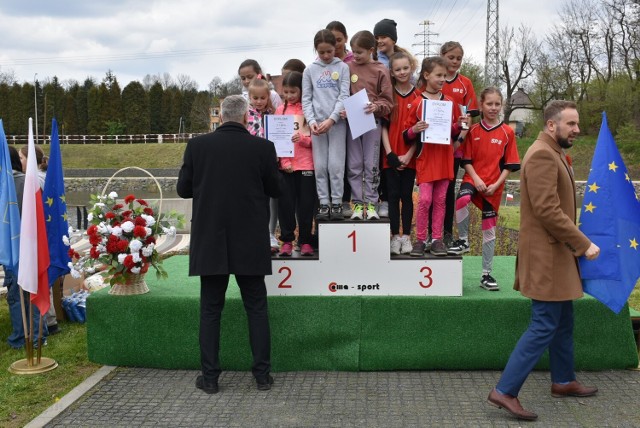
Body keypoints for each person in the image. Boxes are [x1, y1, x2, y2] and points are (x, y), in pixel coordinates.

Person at [487, 100, 600, 421]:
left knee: (563, 321)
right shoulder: (541, 156)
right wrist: (583, 243)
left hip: (555, 255)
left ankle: (563, 381)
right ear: (552, 125)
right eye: (571, 124)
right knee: (544, 325)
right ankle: (505, 391)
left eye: (577, 124)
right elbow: (547, 210)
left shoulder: (550, 152)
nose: (577, 129)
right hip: (547, 257)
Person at [177, 95, 281, 394]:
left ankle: (210, 379)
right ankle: (262, 376)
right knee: (257, 307)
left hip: (211, 239)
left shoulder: (197, 146)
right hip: (249, 238)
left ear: (221, 117)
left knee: (210, 309)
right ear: (247, 117)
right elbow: (276, 189)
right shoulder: (263, 148)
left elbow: (183, 190)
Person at [447, 88, 520, 291]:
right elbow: (466, 160)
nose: (493, 108)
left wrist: (496, 185)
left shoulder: (508, 132)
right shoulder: (474, 131)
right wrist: (477, 180)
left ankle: (486, 275)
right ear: (481, 105)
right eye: (489, 104)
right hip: (473, 178)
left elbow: (510, 165)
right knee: (461, 200)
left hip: (493, 187)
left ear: (501, 106)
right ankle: (463, 240)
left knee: (489, 231)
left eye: (497, 104)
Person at [405, 57, 467, 257]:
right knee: (424, 200)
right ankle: (421, 240)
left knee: (441, 200)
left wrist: (459, 125)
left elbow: (451, 131)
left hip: (445, 158)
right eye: (439, 75)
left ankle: (437, 239)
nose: (443, 79)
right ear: (426, 75)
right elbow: (406, 135)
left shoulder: (449, 102)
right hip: (426, 159)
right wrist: (415, 129)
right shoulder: (417, 103)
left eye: (445, 75)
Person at [301, 29, 350, 221]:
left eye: (329, 51)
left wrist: (332, 119)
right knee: (320, 166)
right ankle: (324, 203)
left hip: (336, 124)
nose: (326, 55)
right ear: (316, 50)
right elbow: (307, 99)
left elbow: (344, 95)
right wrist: (312, 121)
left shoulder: (343, 68)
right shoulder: (309, 70)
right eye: (322, 52)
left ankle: (337, 202)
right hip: (317, 127)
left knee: (336, 165)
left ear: (335, 48)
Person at [345, 30, 393, 220]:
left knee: (370, 164)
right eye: (353, 52)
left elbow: (389, 102)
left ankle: (371, 204)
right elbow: (342, 94)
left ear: (371, 50)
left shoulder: (381, 69)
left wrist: (377, 106)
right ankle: (357, 204)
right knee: (354, 164)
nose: (355, 56)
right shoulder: (347, 68)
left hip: (373, 122)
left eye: (359, 52)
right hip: (352, 123)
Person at [373, 19, 418, 219]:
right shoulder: (375, 59)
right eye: (377, 38)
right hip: (384, 120)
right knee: (382, 168)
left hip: (407, 136)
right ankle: (381, 199)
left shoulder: (406, 66)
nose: (379, 41)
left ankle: (404, 234)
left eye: (383, 37)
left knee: (405, 194)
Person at [5, 146, 48, 348]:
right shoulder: (25, 181)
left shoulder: (11, 183)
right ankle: (40, 333)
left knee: (17, 292)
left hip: (15, 243)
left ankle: (22, 337)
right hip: (31, 242)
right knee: (33, 286)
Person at [440, 41, 479, 249]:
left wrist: (460, 140)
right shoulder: (432, 78)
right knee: (430, 192)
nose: (455, 61)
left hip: (454, 147)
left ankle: (446, 234)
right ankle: (430, 234)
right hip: (433, 147)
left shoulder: (465, 83)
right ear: (442, 56)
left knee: (447, 191)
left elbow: (470, 116)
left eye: (458, 58)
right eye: (451, 57)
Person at [382, 51, 421, 255]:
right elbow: (384, 127)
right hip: (390, 157)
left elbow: (420, 132)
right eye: (398, 69)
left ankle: (406, 237)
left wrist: (409, 155)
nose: (402, 72)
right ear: (392, 72)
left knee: (406, 196)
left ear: (412, 67)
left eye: (405, 67)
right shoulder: (389, 95)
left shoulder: (419, 96)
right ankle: (393, 237)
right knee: (392, 195)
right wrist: (390, 154)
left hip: (409, 158)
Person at [275, 71, 316, 257]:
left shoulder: (309, 110)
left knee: (306, 206)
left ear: (302, 90)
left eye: (293, 92)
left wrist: (303, 140)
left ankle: (305, 240)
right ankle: (287, 240)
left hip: (307, 165)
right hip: (287, 168)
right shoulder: (280, 111)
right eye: (286, 92)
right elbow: (277, 140)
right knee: (285, 205)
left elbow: (318, 141)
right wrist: (284, 162)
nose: (289, 96)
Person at [245, 78, 279, 253]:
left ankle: (269, 233)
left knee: (268, 199)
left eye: (262, 98)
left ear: (268, 97)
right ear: (249, 97)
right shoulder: (245, 116)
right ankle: (249, 235)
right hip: (250, 165)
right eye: (255, 98)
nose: (258, 102)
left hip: (267, 164)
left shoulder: (274, 115)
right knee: (251, 200)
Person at [325, 20, 354, 218]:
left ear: (346, 39)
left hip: (353, 118)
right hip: (330, 121)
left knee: (350, 163)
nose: (335, 45)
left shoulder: (353, 61)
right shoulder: (323, 64)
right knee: (332, 164)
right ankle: (331, 201)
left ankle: (346, 201)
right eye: (331, 41)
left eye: (339, 40)